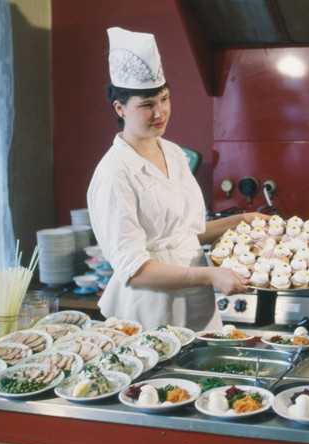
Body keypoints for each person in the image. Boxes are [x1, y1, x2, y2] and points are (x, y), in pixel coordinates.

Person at [87, 27, 267, 331]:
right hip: (148, 313)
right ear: (120, 108)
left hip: (196, 305)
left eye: (164, 99)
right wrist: (211, 275)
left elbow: (185, 234)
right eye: (147, 105)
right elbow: (135, 270)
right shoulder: (113, 174)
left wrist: (243, 221)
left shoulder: (173, 154)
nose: (160, 112)